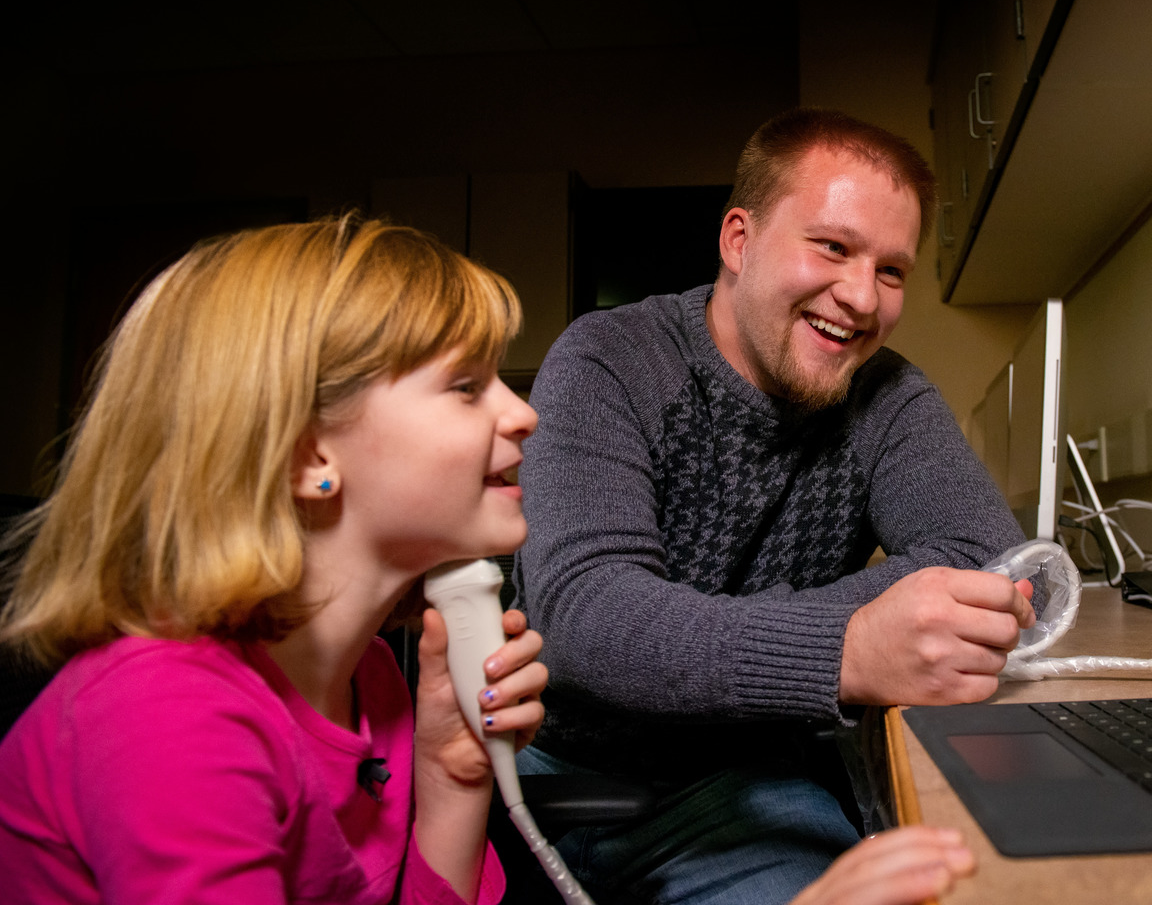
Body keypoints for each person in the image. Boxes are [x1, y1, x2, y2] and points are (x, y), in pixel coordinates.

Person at [0, 216, 976, 905]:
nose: (520, 413)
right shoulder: (169, 717)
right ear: (308, 452)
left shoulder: (377, 682)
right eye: (466, 386)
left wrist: (455, 772)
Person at [513, 108, 1033, 904]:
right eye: (832, 247)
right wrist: (845, 648)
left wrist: (724, 629)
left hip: (744, 780)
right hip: (565, 770)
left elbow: (981, 555)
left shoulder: (887, 396)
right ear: (738, 240)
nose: (861, 297)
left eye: (891, 271)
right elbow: (586, 616)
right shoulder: (608, 359)